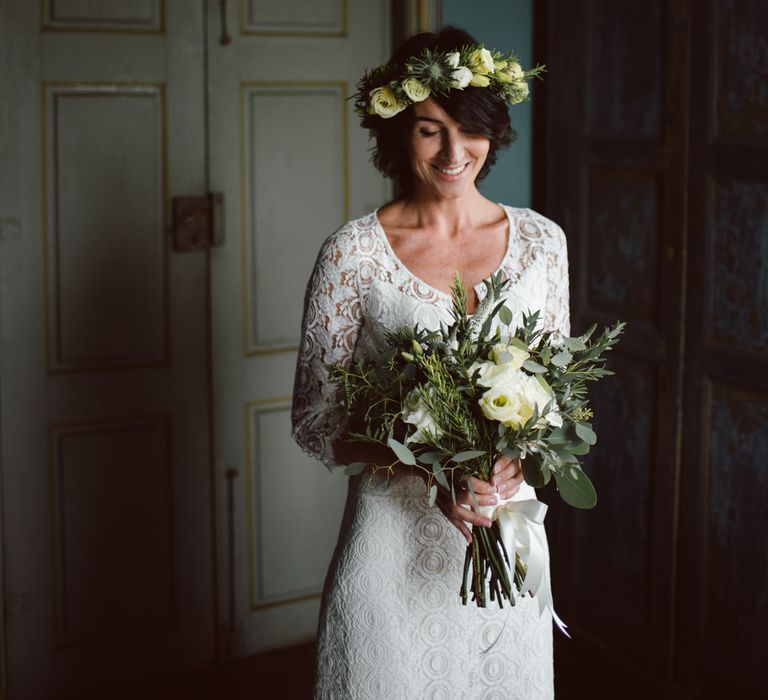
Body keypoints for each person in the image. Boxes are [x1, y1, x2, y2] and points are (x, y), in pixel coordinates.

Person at [291, 26, 569, 699]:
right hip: (388, 543)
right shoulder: (351, 254)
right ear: (395, 133)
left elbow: (555, 391)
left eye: (469, 129)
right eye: (427, 130)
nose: (453, 152)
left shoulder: (543, 241)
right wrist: (428, 463)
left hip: (506, 532)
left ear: (493, 131)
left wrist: (515, 457)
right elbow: (315, 420)